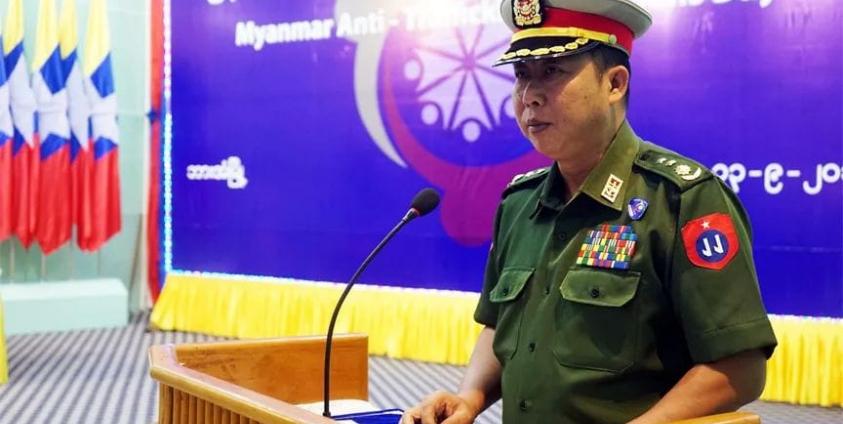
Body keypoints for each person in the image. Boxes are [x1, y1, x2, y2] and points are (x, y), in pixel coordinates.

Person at [401, 0, 778, 423]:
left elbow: (740, 365)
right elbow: (499, 326)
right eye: (522, 74)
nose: (529, 96)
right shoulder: (519, 203)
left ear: (615, 83)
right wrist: (470, 397)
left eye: (552, 71)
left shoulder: (680, 199)